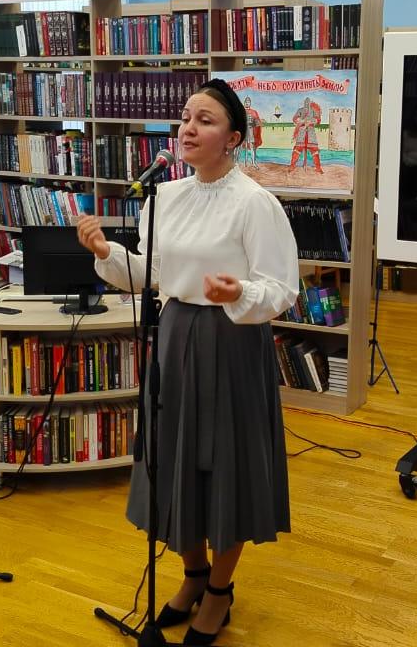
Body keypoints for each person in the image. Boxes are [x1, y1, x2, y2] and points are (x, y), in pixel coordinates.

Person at [75, 78, 300, 645]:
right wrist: (106, 254)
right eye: (185, 118)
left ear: (234, 138)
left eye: (205, 120)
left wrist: (240, 293)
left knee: (225, 465)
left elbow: (281, 289)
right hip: (174, 336)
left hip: (231, 341)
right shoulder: (165, 197)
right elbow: (152, 275)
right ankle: (194, 575)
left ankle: (220, 591)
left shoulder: (255, 203)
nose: (188, 129)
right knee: (176, 461)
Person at [288, 96, 323, 174]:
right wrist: (302, 120)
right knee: (297, 150)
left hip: (311, 133)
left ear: (309, 103)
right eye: (305, 102)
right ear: (304, 103)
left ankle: (318, 168)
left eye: (308, 102)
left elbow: (318, 120)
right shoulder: (300, 110)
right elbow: (295, 119)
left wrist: (311, 121)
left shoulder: (313, 111)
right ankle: (292, 166)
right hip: (302, 132)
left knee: (314, 150)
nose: (307, 104)